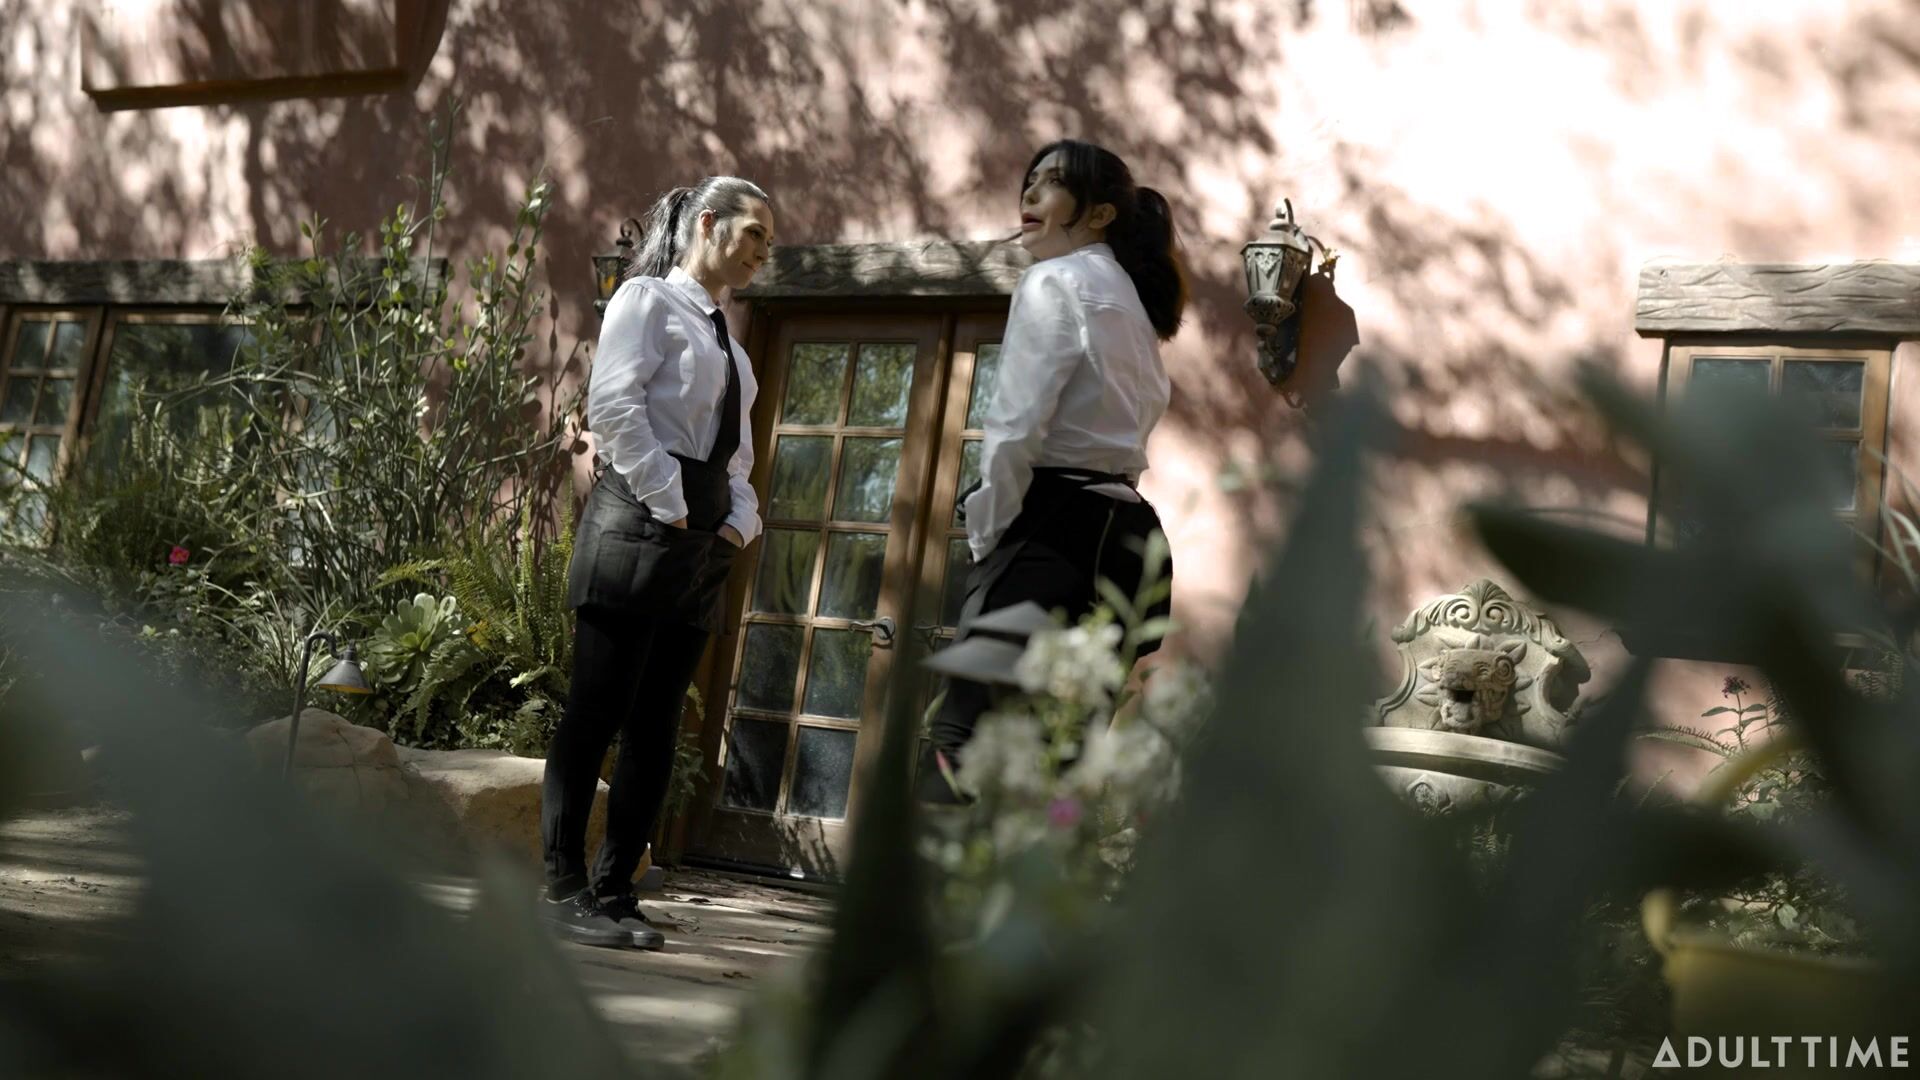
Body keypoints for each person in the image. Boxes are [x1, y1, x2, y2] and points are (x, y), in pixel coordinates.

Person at [540, 177, 774, 948]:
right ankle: (562, 889)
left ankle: (615, 893)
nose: (763, 250)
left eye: (769, 241)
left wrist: (738, 523)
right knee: (596, 711)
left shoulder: (735, 350)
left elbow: (738, 458)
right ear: (708, 223)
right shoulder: (645, 301)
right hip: (638, 521)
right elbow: (614, 407)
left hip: (700, 544)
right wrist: (670, 504)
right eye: (754, 232)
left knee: (657, 726)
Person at [923, 139, 1187, 799]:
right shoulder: (1134, 306)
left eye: (1052, 183)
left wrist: (988, 535)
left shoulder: (1054, 281)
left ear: (1099, 213)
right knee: (1063, 762)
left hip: (1051, 528)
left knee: (960, 746)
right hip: (1129, 541)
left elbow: (1016, 428)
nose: (1029, 195)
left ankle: (920, 873)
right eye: (1029, 181)